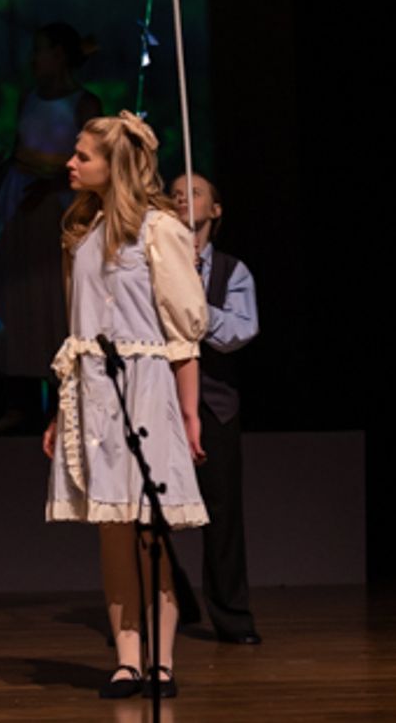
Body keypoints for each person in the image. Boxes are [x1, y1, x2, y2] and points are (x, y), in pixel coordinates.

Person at [44, 111, 207, 700]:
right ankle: (126, 659)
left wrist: (189, 416)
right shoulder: (81, 231)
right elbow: (77, 333)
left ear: (115, 166)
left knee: (150, 531)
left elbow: (183, 331)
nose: (71, 163)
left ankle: (162, 659)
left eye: (83, 155)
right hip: (92, 391)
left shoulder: (160, 229)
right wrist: (61, 412)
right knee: (112, 529)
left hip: (144, 385)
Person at [0, 23, 102, 430]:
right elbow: (17, 151)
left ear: (61, 55)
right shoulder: (28, 99)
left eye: (42, 50)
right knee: (16, 294)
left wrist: (50, 186)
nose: (35, 59)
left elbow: (97, 162)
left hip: (59, 203)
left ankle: (62, 398)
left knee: (55, 296)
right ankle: (18, 400)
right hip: (20, 199)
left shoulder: (84, 103)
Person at [170, 172, 262, 645]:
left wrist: (191, 302)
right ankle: (168, 604)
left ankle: (231, 615)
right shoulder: (155, 265)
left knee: (222, 515)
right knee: (149, 512)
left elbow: (238, 333)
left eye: (196, 192)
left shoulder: (232, 271)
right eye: (176, 193)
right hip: (161, 404)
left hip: (215, 406)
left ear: (217, 209)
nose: (184, 197)